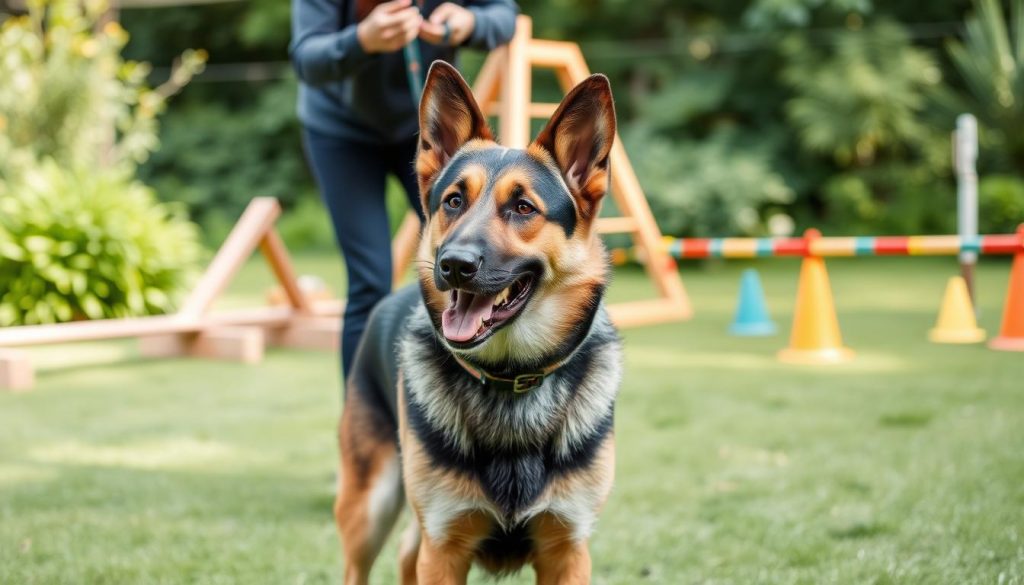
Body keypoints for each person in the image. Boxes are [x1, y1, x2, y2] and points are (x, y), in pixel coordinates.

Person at [289, 0, 518, 380]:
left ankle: (471, 411)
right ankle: (364, 422)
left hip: (437, 133)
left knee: (477, 264)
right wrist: (362, 40)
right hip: (340, 131)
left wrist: (469, 24)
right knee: (371, 282)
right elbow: (306, 57)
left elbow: (504, 15)